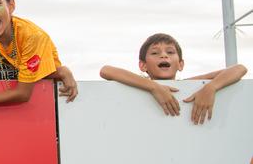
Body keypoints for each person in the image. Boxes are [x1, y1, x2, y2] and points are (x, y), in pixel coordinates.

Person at [100, 33, 247, 124]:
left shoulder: (187, 85)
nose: (164, 55)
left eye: (170, 52)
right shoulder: (140, 85)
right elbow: (106, 71)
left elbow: (239, 69)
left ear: (181, 64)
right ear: (143, 65)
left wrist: (211, 87)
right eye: (155, 53)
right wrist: (154, 87)